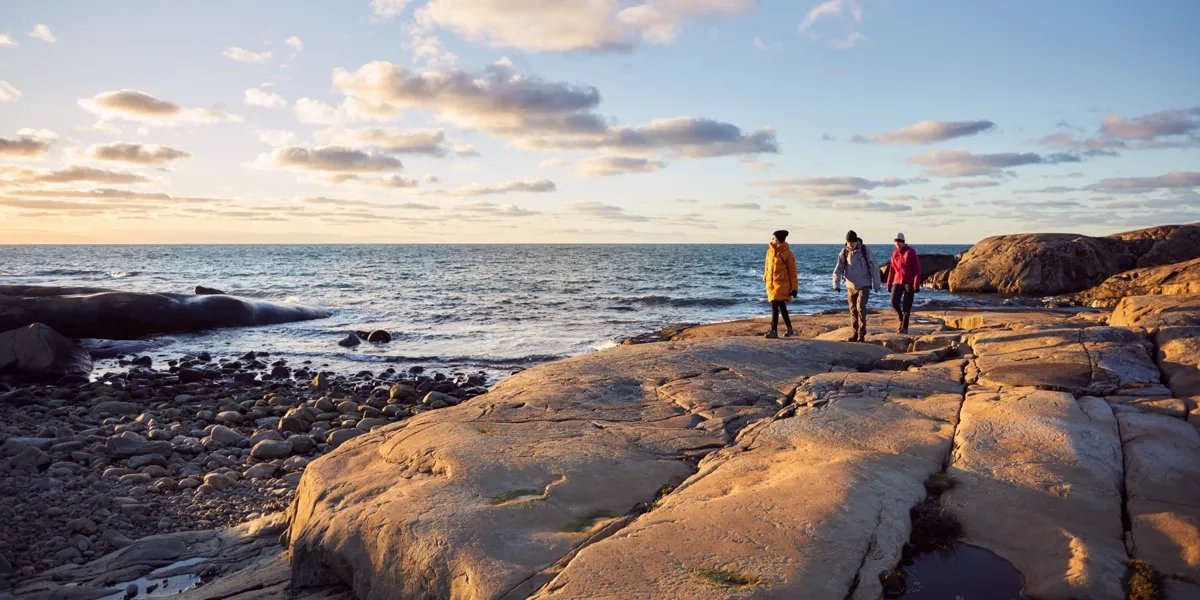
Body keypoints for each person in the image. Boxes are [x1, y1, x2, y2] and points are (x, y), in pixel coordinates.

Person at [833, 230, 882, 342]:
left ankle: (861, 334)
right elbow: (838, 269)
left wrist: (877, 284)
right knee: (853, 310)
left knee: (861, 307)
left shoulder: (864, 250)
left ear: (856, 241)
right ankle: (854, 333)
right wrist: (836, 284)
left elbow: (874, 266)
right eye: (849, 242)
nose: (851, 244)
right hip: (850, 285)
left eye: (853, 242)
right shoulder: (844, 252)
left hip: (864, 284)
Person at [763, 230, 798, 339]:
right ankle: (789, 328)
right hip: (772, 283)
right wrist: (765, 276)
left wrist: (794, 288)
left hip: (783, 283)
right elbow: (767, 266)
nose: (772, 240)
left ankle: (773, 330)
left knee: (774, 302)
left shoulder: (788, 253)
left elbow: (792, 272)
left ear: (779, 239)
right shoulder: (770, 252)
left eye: (774, 238)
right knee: (781, 305)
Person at [886, 232, 921, 334]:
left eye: (900, 242)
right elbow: (892, 270)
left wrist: (916, 283)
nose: (898, 244)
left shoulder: (910, 252)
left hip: (909, 282)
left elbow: (917, 269)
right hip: (897, 281)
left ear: (903, 242)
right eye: (896, 242)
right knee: (893, 302)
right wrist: (889, 283)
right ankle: (901, 318)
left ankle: (905, 327)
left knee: (907, 305)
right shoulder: (894, 253)